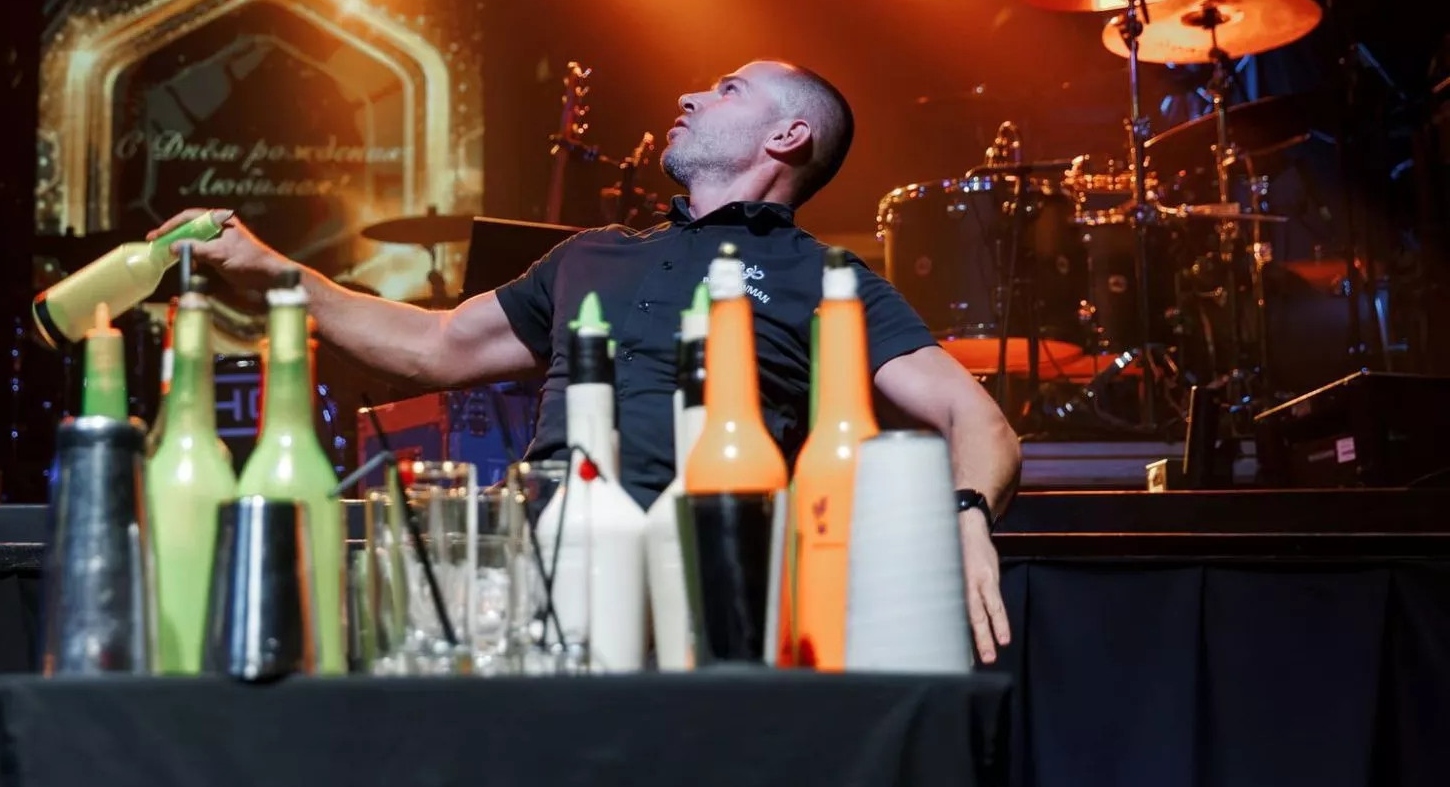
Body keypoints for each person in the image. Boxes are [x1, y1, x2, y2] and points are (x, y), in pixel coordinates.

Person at [150, 59, 1021, 663]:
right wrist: (272, 272)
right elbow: (432, 346)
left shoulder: (824, 277)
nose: (690, 93)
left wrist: (966, 513)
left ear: (789, 135)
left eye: (728, 88)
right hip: (553, 548)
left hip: (710, 574)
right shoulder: (592, 253)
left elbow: (975, 419)